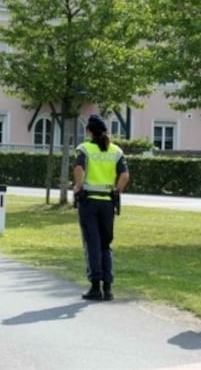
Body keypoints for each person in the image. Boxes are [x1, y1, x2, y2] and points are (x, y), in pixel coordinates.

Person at [73, 114, 130, 301]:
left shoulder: (84, 149)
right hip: (107, 203)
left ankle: (95, 287)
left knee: (92, 244)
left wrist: (78, 186)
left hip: (89, 202)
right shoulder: (116, 151)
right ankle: (108, 287)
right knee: (106, 244)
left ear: (89, 131)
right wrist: (116, 191)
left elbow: (79, 169)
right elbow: (125, 176)